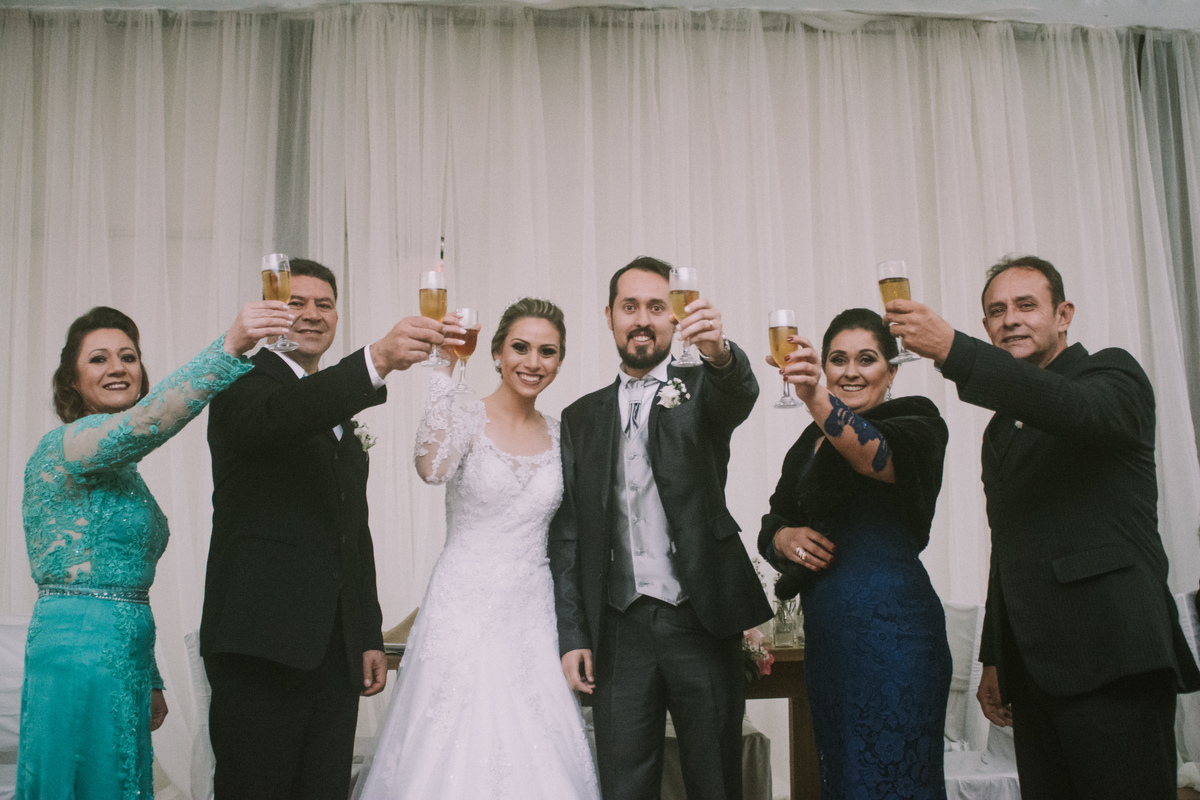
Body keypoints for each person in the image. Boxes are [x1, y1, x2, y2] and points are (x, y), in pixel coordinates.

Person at [885, 254, 1200, 800]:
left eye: (1026, 305)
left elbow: (1068, 406)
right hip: (1034, 675)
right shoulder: (1000, 432)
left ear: (1063, 315)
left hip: (1114, 656)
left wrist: (955, 350)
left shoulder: (1112, 375)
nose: (1010, 319)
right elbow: (1007, 546)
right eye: (996, 311)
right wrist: (995, 656)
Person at [201, 258, 462, 800]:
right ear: (272, 311)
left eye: (325, 304)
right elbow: (289, 413)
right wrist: (378, 358)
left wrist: (366, 634)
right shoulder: (239, 382)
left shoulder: (332, 407)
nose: (313, 314)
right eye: (297, 302)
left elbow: (351, 531)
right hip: (261, 646)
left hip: (332, 653)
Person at [18, 302, 292, 799]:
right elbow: (147, 422)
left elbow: (124, 584)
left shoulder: (122, 471)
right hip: (78, 649)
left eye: (128, 356)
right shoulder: (67, 445)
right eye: (98, 359)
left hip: (126, 651)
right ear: (72, 381)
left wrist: (151, 673)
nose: (118, 367)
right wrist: (230, 346)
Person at [354, 298, 600, 799]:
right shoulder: (465, 415)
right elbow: (431, 470)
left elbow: (572, 534)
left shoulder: (563, 436)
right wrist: (442, 374)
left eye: (548, 352)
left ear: (560, 361)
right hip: (462, 608)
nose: (533, 362)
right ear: (496, 353)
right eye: (521, 347)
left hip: (533, 613)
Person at [550, 256, 771, 800]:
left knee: (715, 783)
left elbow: (740, 390)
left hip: (699, 620)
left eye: (656, 307)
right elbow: (570, 536)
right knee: (623, 785)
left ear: (675, 317)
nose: (643, 320)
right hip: (618, 629)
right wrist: (574, 636)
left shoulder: (703, 389)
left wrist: (720, 353)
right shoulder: (579, 418)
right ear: (609, 316)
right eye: (630, 307)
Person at [756, 307, 951, 800]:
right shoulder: (810, 441)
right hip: (830, 639)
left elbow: (873, 455)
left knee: (896, 780)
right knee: (844, 778)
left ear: (892, 370)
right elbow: (773, 520)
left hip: (897, 635)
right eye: (838, 360)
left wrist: (813, 397)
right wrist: (784, 538)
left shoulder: (918, 419)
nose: (850, 371)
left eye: (867, 359)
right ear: (824, 366)